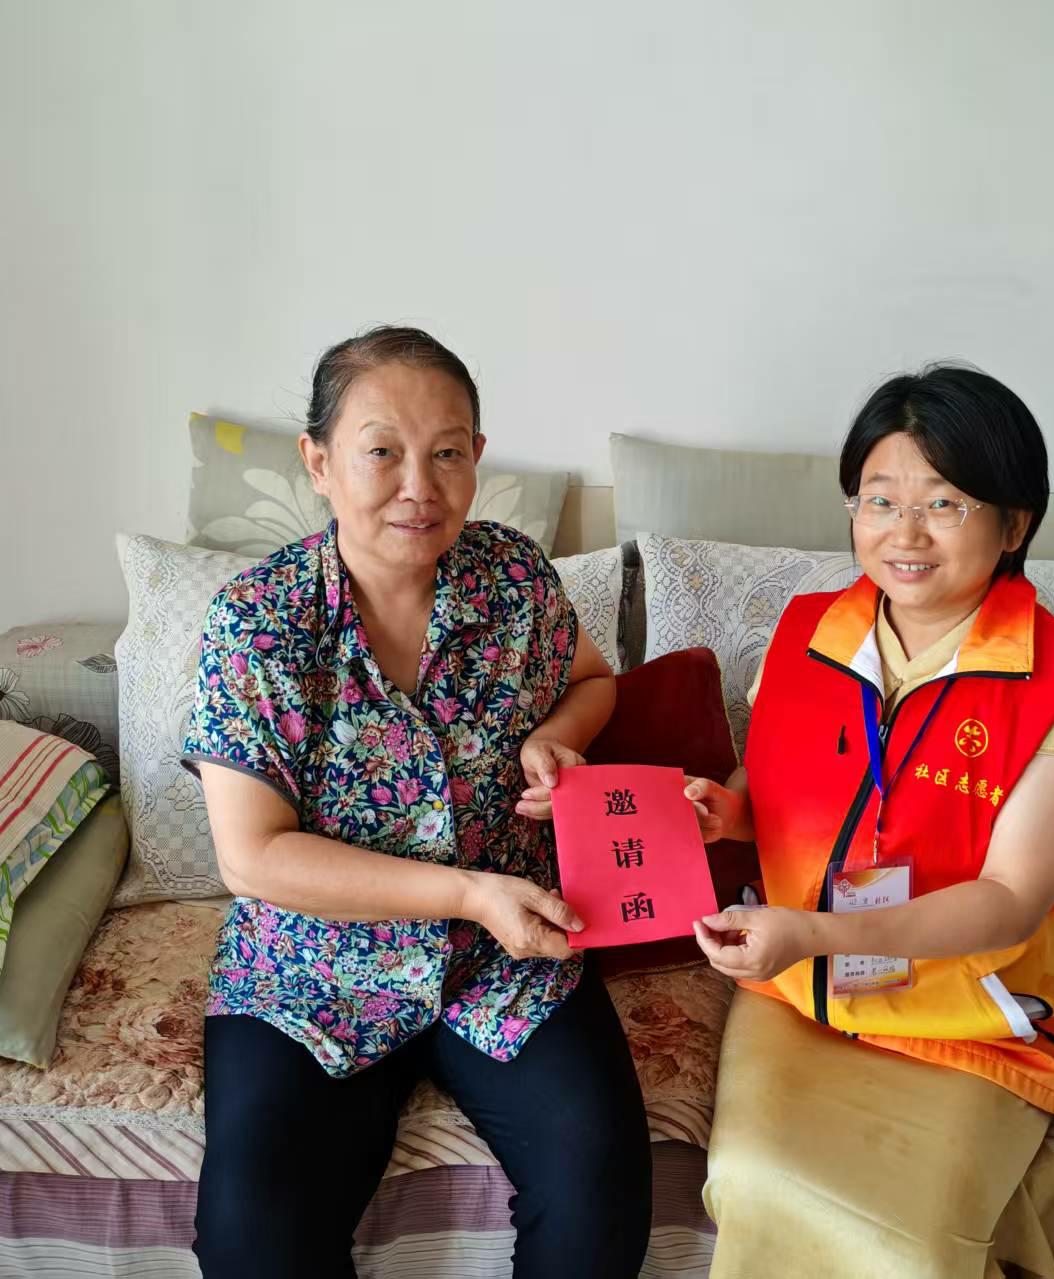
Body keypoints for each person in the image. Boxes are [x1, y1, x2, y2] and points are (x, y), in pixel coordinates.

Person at [183, 326, 652, 1279]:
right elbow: (253, 856)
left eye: (445, 453)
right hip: (315, 966)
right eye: (381, 452)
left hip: (505, 956)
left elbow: (594, 681)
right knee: (250, 1239)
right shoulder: (259, 622)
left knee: (600, 1199)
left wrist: (556, 735)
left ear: (477, 455)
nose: (419, 487)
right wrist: (467, 892)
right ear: (318, 461)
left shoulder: (513, 577)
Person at [685, 364, 1054, 1278]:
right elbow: (777, 782)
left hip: (970, 1014)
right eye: (880, 499)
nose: (905, 532)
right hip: (799, 994)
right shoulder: (805, 632)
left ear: (1015, 524)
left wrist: (813, 930)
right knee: (748, 1176)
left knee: (912, 1247)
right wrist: (729, 811)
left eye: (944, 503)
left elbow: (1010, 900)